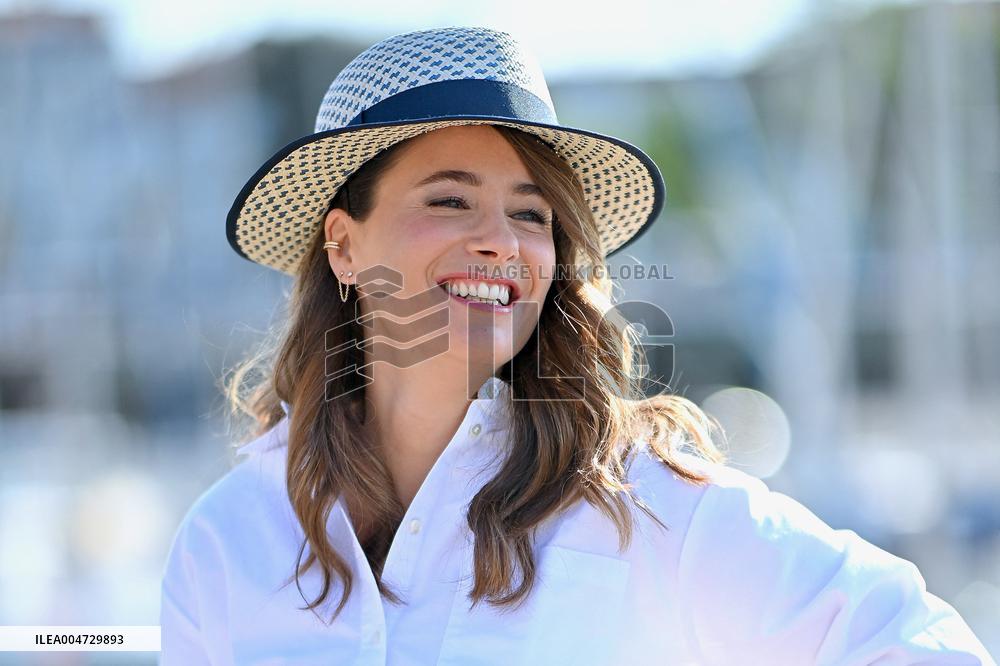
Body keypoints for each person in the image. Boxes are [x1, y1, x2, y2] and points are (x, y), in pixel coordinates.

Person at [158, 26, 995, 665]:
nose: (502, 241)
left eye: (532, 214)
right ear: (343, 245)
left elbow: (918, 642)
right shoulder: (229, 538)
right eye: (450, 200)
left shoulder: (647, 506)